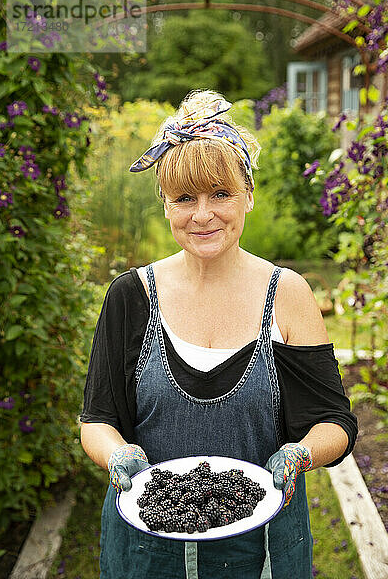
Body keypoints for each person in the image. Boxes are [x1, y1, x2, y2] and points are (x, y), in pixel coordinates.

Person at [80, 89, 358, 579]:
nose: (203, 215)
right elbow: (97, 420)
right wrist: (116, 452)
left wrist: (302, 452)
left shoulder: (287, 294)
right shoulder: (131, 296)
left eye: (221, 194)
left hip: (262, 550)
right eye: (185, 198)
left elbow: (335, 421)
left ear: (248, 194)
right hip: (146, 550)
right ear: (165, 204)